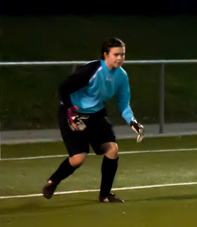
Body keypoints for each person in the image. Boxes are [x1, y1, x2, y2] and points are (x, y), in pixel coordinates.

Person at [42, 38, 144, 203]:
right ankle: (53, 182)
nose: (120, 58)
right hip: (73, 113)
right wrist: (70, 111)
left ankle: (105, 195)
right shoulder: (91, 70)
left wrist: (132, 121)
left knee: (112, 149)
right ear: (105, 55)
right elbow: (64, 88)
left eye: (122, 55)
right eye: (116, 54)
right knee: (78, 159)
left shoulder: (122, 76)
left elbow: (123, 103)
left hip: (96, 114)